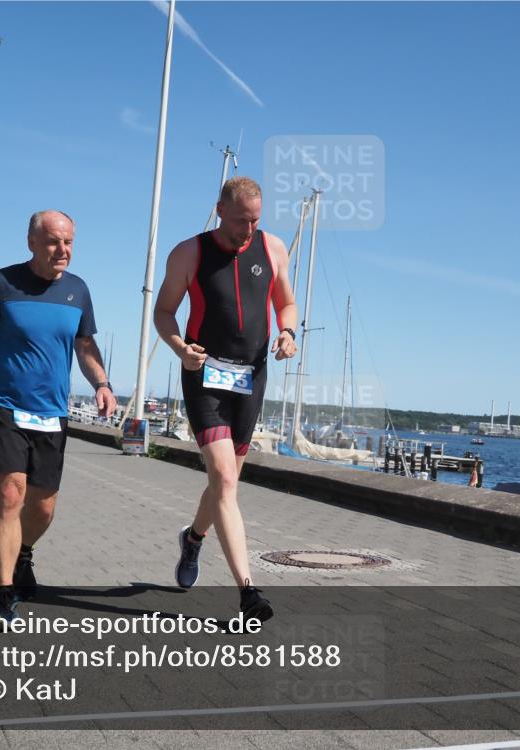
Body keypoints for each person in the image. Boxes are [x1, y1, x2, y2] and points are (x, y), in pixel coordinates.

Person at [0, 210, 116, 625]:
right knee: (9, 494)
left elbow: (84, 345)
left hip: (52, 413)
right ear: (32, 241)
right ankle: (2, 593)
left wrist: (102, 383)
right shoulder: (1, 283)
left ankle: (24, 553)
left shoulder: (78, 290)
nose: (63, 250)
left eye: (69, 242)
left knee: (43, 508)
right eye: (54, 242)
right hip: (4, 406)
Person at [153, 176, 298, 621]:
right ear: (219, 210)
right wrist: (180, 348)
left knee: (224, 483)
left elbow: (285, 304)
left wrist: (288, 332)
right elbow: (164, 311)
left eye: (255, 220)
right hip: (204, 375)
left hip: (251, 379)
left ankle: (194, 538)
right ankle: (248, 592)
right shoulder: (189, 252)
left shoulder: (273, 248)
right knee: (225, 479)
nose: (248, 230)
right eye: (240, 221)